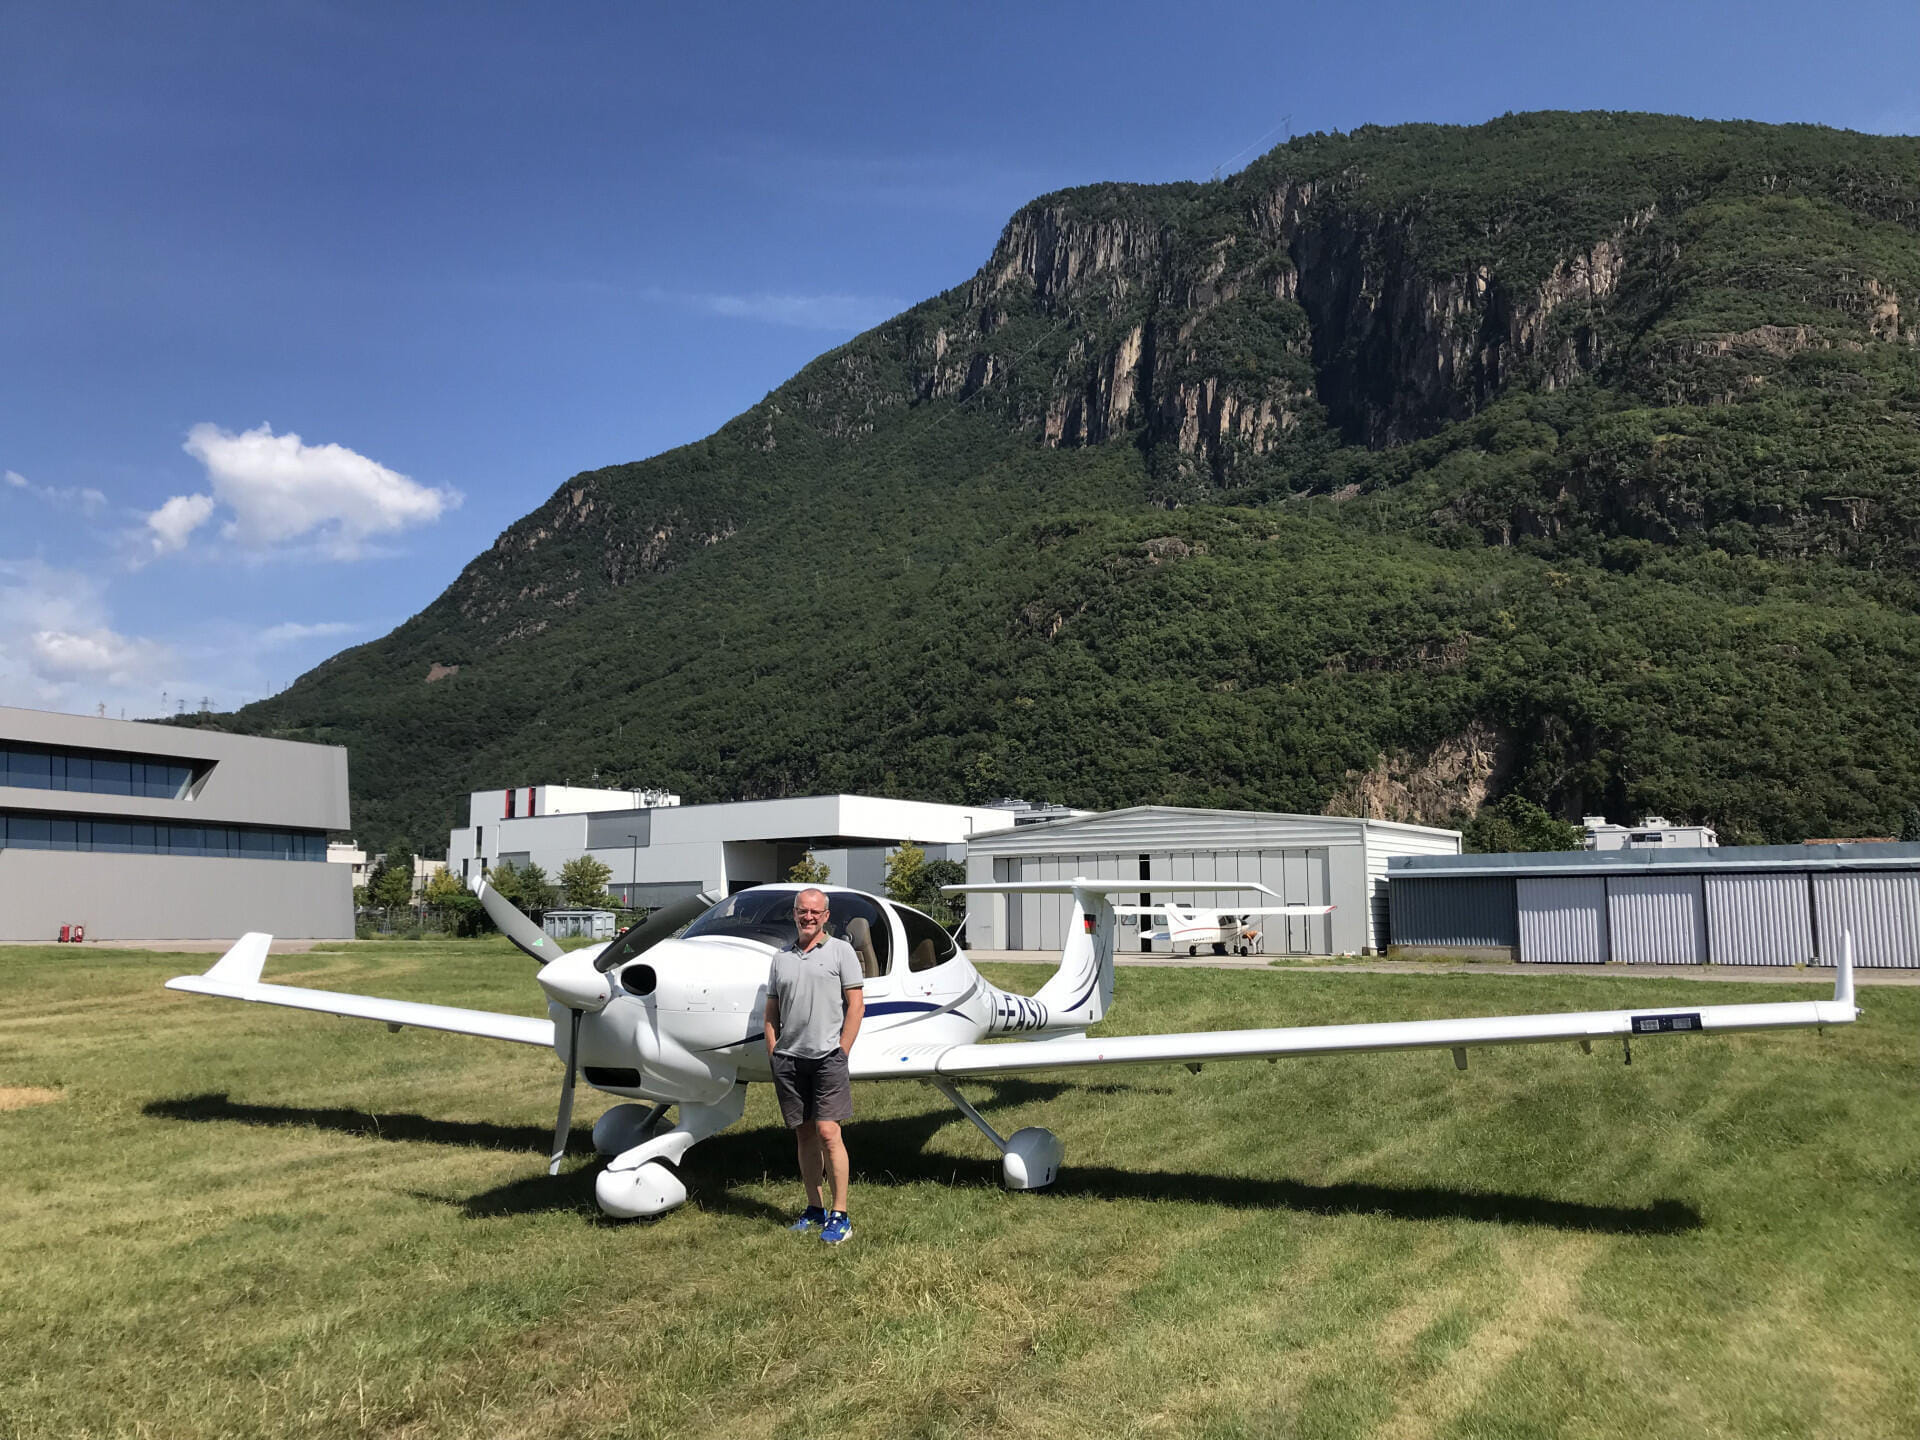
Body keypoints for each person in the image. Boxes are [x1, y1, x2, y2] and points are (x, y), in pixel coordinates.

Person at [763, 887, 865, 1244]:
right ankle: (813, 1208)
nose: (808, 917)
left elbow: (856, 1005)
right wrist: (774, 1050)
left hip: (828, 1058)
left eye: (815, 912)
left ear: (825, 916)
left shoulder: (841, 951)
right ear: (794, 913)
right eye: (802, 911)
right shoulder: (781, 958)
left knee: (828, 1132)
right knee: (804, 1133)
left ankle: (841, 1215)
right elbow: (771, 1009)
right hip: (789, 1060)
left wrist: (842, 1050)